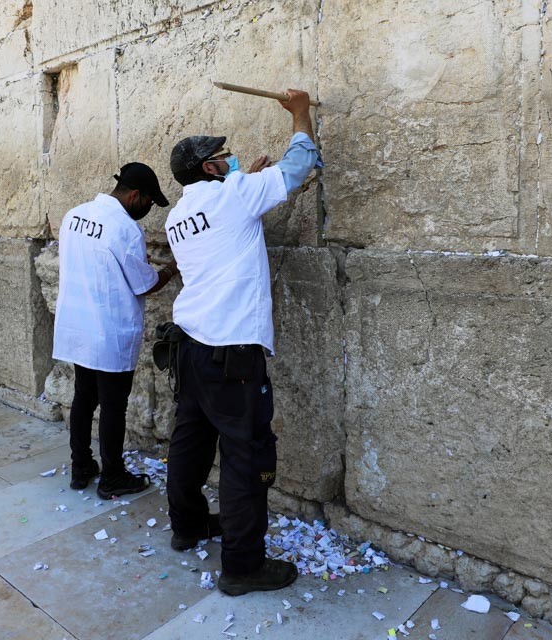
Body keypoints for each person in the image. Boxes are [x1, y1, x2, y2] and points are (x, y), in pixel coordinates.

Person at [164, 88, 320, 595]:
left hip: (190, 347)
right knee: (245, 455)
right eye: (221, 158)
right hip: (232, 353)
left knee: (190, 442)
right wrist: (300, 112)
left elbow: (229, 211)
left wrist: (242, 179)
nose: (229, 159)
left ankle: (187, 527)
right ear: (209, 170)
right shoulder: (235, 196)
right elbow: (298, 166)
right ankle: (243, 566)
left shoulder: (177, 216)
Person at [53, 163, 179, 500]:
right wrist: (171, 267)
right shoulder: (124, 229)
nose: (148, 210)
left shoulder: (74, 215)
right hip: (108, 332)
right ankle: (112, 476)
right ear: (135, 195)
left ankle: (81, 468)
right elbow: (144, 284)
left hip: (79, 325)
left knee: (83, 397)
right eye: (149, 202)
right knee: (112, 406)